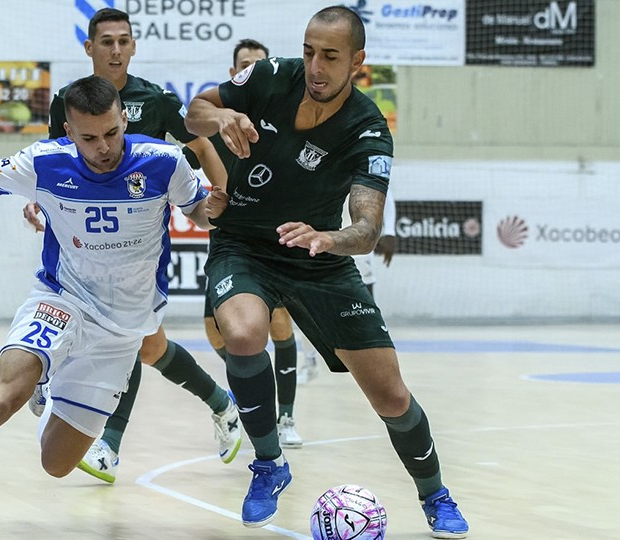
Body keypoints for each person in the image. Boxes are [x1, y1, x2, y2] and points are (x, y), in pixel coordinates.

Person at [0, 75, 229, 539]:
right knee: (1, 399)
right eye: (89, 138)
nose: (104, 147)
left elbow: (197, 209)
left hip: (122, 334)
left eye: (111, 132)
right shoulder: (45, 163)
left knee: (56, 463)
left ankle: (50, 384)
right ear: (69, 132)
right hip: (62, 300)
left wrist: (210, 209)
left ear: (123, 119)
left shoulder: (163, 162)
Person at [183, 6, 469, 538]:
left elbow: (366, 227)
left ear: (358, 62)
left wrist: (328, 239)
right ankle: (269, 464)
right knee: (243, 333)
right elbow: (193, 111)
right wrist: (219, 117)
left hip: (319, 259)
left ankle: (435, 493)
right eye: (310, 51)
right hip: (242, 243)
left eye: (331, 56)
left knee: (391, 397)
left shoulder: (367, 129)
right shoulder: (269, 77)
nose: (315, 66)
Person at [22, 7, 241, 484]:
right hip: (83, 250)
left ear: (134, 46)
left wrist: (227, 206)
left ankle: (109, 445)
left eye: (124, 40)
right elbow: (52, 164)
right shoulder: (68, 100)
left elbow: (200, 146)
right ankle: (222, 405)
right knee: (148, 347)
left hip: (135, 251)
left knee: (134, 340)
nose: (116, 49)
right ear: (90, 48)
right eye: (106, 41)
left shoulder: (155, 100)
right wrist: (38, 203)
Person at [199, 38, 302, 449]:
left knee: (277, 326)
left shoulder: (285, 122)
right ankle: (251, 399)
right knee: (216, 332)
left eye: (260, 65)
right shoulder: (216, 128)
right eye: (245, 66)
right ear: (233, 74)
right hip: (228, 242)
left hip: (272, 242)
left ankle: (285, 416)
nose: (253, 72)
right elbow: (190, 161)